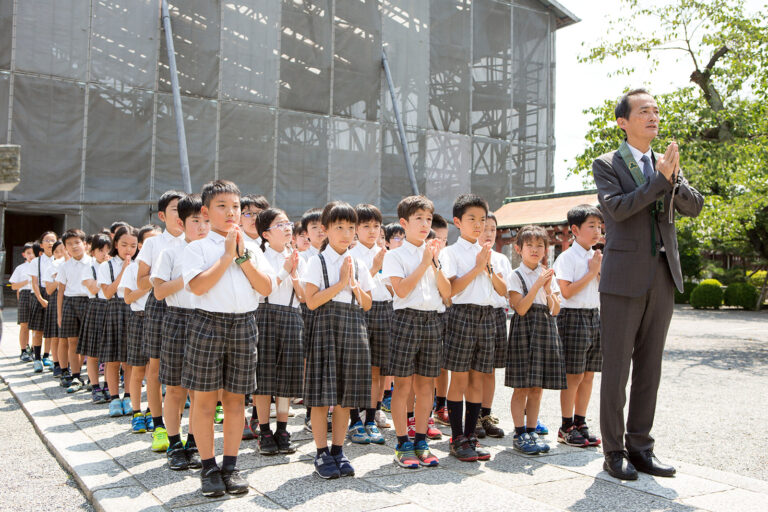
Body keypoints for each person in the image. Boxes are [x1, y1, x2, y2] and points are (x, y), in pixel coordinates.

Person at [594, 89, 703, 480]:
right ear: (622, 122)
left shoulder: (665, 162)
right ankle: (614, 451)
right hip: (623, 278)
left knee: (650, 368)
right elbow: (619, 209)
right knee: (617, 367)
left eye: (656, 111)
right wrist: (659, 180)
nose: (653, 116)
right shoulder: (606, 164)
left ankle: (641, 446)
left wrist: (672, 179)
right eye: (644, 111)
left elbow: (693, 206)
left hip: (663, 274)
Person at [181, 180, 273, 497]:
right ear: (206, 212)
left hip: (244, 323)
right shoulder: (197, 248)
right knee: (205, 400)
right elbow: (197, 287)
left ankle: (231, 466)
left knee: (235, 400)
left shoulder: (252, 248)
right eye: (222, 206)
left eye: (235, 206)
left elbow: (265, 288)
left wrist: (242, 256)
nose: (231, 212)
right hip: (207, 323)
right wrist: (225, 257)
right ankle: (208, 466)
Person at [301, 201, 374, 479]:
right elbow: (311, 301)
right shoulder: (316, 261)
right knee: (321, 397)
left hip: (354, 326)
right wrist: (341, 284)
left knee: (347, 397)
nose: (346, 233)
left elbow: (367, 304)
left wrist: (354, 284)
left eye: (350, 228)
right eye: (339, 227)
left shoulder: (359, 263)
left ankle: (338, 449)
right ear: (325, 229)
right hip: (325, 327)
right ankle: (321, 451)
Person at [382, 195, 451, 469]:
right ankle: (402, 443)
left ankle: (421, 441)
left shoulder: (435, 255)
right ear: (404, 223)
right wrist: (424, 262)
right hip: (405, 319)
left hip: (433, 319)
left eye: (428, 219)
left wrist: (433, 263)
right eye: (418, 219)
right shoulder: (395, 255)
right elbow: (401, 290)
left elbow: (447, 294)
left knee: (426, 386)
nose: (425, 225)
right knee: (404, 385)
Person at [440, 194, 508, 462]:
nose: (478, 224)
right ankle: (457, 437)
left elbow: (503, 290)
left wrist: (487, 267)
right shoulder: (450, 252)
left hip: (487, 315)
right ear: (458, 221)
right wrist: (478, 267)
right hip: (461, 314)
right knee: (459, 378)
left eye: (482, 219)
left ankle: (471, 435)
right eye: (472, 219)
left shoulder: (489, 253)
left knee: (478, 377)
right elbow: (451, 290)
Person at [152, 193, 208, 471]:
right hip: (176, 318)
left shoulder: (215, 251)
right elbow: (159, 291)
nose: (201, 226)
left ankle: (194, 443)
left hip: (207, 320)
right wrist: (186, 278)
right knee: (175, 388)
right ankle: (174, 443)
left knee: (201, 391)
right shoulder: (171, 252)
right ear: (181, 221)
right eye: (195, 220)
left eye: (205, 221)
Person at [506, 225, 565, 455]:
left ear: (546, 250)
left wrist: (549, 288)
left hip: (545, 327)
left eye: (539, 245)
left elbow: (556, 309)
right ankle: (520, 432)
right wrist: (538, 284)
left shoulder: (549, 276)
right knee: (521, 386)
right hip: (524, 328)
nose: (535, 249)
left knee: (538, 386)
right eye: (529, 245)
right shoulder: (515, 275)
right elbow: (519, 308)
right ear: (519, 249)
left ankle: (532, 430)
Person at [251, 208, 305, 455]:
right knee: (262, 377)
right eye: (279, 225)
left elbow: (304, 296)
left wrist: (293, 274)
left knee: (286, 375)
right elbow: (261, 291)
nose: (287, 228)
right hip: (264, 314)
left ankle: (282, 428)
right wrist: (284, 270)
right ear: (265, 234)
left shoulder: (298, 256)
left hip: (292, 315)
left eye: (288, 223)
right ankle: (264, 429)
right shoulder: (258, 256)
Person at [136, 191, 185, 455]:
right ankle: (158, 427)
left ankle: (178, 427)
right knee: (154, 367)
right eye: (176, 209)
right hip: (159, 306)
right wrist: (160, 279)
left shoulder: (195, 241)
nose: (181, 214)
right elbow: (141, 280)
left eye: (184, 209)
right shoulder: (154, 244)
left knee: (182, 372)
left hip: (187, 306)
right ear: (162, 215)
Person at [552, 205, 604, 448]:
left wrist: (599, 270)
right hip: (572, 317)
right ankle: (566, 425)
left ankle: (581, 421)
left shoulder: (596, 255)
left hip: (594, 315)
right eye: (591, 226)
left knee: (589, 374)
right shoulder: (567, 257)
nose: (597, 231)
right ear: (575, 229)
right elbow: (566, 292)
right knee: (573, 375)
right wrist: (592, 272)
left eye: (599, 226)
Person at [348, 203, 391, 442]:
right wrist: (374, 268)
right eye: (366, 226)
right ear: (356, 229)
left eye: (376, 226)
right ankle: (355, 420)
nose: (372, 231)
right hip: (360, 311)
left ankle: (372, 418)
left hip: (384, 310)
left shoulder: (386, 251)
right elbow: (355, 290)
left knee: (377, 370)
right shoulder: (351, 255)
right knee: (356, 369)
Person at [123, 226, 160, 437]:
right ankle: (136, 412)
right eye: (148, 243)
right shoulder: (133, 268)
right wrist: (150, 284)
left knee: (157, 372)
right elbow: (128, 298)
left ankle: (153, 412)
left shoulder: (167, 264)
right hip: (139, 319)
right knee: (138, 370)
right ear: (140, 246)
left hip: (159, 319)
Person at [475, 212, 509, 439]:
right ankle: (473, 415)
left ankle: (486, 415)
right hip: (474, 314)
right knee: (471, 370)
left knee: (490, 369)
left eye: (492, 229)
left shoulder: (501, 259)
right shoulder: (468, 255)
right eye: (484, 228)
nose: (488, 233)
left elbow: (503, 290)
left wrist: (489, 268)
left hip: (496, 314)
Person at [99, 225, 138, 418]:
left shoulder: (141, 264)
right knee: (112, 359)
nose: (128, 249)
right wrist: (123, 271)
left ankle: (129, 396)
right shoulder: (106, 266)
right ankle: (114, 398)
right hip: (114, 309)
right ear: (116, 244)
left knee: (130, 360)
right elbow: (107, 293)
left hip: (133, 311)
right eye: (124, 245)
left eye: (133, 245)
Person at [55, 229, 92, 393]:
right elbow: (61, 291)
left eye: (77, 242)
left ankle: (92, 378)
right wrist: (59, 314)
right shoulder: (64, 266)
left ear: (85, 244)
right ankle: (75, 375)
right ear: (65, 248)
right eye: (69, 244)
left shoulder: (93, 263)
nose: (74, 246)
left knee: (91, 341)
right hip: (70, 302)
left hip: (89, 301)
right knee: (72, 341)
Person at [79, 234, 112, 404]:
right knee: (92, 353)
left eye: (107, 249)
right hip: (95, 307)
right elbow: (92, 288)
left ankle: (108, 385)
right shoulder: (88, 267)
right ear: (93, 252)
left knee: (109, 352)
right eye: (101, 250)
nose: (104, 253)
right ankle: (95, 387)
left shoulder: (113, 266)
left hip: (111, 307)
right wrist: (105, 273)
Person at [429, 214, 451, 427]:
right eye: (437, 238)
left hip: (446, 313)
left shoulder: (447, 258)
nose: (441, 243)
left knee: (443, 364)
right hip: (428, 313)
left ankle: (441, 405)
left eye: (445, 239)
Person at [43, 239, 67, 380]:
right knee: (56, 335)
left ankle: (68, 364)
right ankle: (57, 363)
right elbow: (49, 290)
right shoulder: (52, 266)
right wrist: (59, 278)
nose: (60, 253)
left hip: (70, 298)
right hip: (55, 299)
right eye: (56, 251)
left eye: (62, 250)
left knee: (69, 337)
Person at [10, 242, 35, 362]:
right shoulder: (20, 268)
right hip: (25, 294)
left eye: (33, 253)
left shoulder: (39, 266)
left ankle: (36, 350)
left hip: (37, 294)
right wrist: (26, 282)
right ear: (23, 254)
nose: (31, 255)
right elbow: (14, 286)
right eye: (28, 253)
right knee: (24, 325)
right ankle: (23, 350)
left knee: (37, 326)